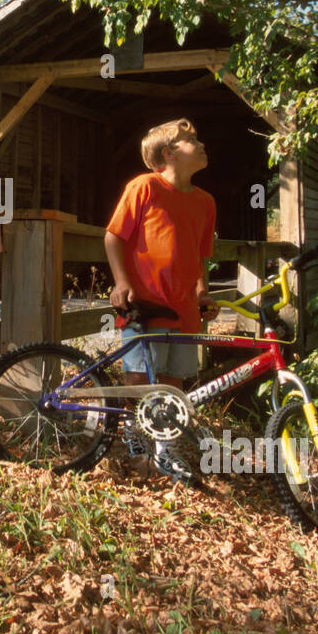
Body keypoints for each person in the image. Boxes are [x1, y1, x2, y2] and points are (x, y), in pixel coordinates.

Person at [104, 118, 218, 470]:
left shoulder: (205, 202)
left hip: (184, 310)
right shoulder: (144, 187)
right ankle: (133, 444)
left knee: (173, 384)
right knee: (138, 379)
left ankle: (163, 451)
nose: (201, 145)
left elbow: (201, 256)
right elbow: (114, 237)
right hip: (145, 305)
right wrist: (121, 282)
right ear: (169, 153)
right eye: (191, 141)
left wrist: (203, 293)